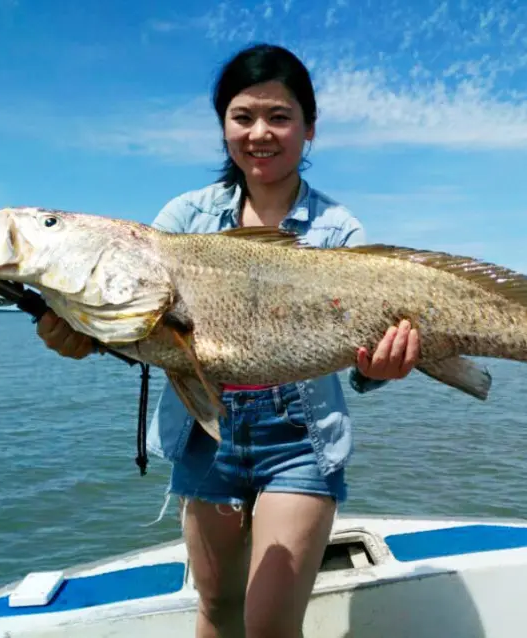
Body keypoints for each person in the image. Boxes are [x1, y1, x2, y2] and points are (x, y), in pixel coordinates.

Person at [35, 43, 421, 637]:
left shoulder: (339, 229)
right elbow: (144, 327)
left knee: (268, 626)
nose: (259, 133)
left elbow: (359, 359)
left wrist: (380, 369)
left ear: (309, 128)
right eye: (243, 117)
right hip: (201, 430)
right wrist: (82, 334)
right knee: (216, 609)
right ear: (223, 126)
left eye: (280, 116)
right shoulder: (183, 219)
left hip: (301, 434)